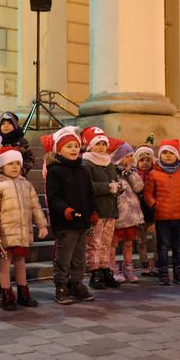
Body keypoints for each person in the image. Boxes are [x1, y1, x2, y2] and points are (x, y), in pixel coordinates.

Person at [0, 147, 49, 310]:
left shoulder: (26, 185)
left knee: (21, 263)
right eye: (10, 164)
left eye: (17, 163)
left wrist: (41, 224)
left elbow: (36, 207)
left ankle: (23, 293)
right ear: (1, 166)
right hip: (6, 234)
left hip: (22, 232)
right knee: (5, 264)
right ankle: (7, 295)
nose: (15, 167)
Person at [43, 126, 97, 305]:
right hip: (65, 221)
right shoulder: (55, 170)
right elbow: (53, 196)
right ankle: (61, 285)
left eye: (76, 146)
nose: (74, 149)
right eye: (69, 146)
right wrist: (65, 209)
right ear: (59, 150)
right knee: (64, 255)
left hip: (82, 221)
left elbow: (90, 193)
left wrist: (93, 211)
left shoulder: (83, 170)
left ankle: (76, 283)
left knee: (80, 256)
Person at [143, 139, 180, 286]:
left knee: (178, 246)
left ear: (177, 156)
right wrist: (154, 205)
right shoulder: (154, 174)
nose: (168, 156)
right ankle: (163, 273)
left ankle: (179, 273)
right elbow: (148, 194)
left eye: (171, 153)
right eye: (165, 153)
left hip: (179, 216)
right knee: (163, 246)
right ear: (160, 155)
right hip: (162, 217)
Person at [81, 127, 121, 289]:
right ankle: (94, 270)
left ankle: (105, 268)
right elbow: (87, 186)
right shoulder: (87, 163)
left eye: (104, 144)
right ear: (90, 146)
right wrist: (107, 187)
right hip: (97, 210)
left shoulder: (109, 162)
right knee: (94, 242)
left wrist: (119, 187)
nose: (101, 147)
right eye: (97, 144)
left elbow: (114, 182)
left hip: (110, 210)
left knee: (106, 242)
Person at [109, 140, 145, 283]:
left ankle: (128, 268)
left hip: (131, 216)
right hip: (119, 215)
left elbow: (138, 187)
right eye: (127, 156)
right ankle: (112, 268)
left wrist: (130, 173)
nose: (129, 159)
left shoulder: (131, 171)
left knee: (129, 243)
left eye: (131, 156)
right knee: (113, 244)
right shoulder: (112, 171)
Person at [133, 143, 157, 276]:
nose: (145, 163)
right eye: (141, 160)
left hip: (153, 214)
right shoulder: (133, 176)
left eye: (148, 160)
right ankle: (145, 264)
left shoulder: (156, 175)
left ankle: (155, 264)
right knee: (141, 241)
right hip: (139, 214)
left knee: (157, 241)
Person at [0, 111, 35, 177]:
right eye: (3, 123)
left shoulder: (21, 141)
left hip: (17, 175)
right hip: (1, 175)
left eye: (9, 123)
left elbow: (30, 158)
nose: (6, 125)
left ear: (15, 126)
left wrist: (22, 171)